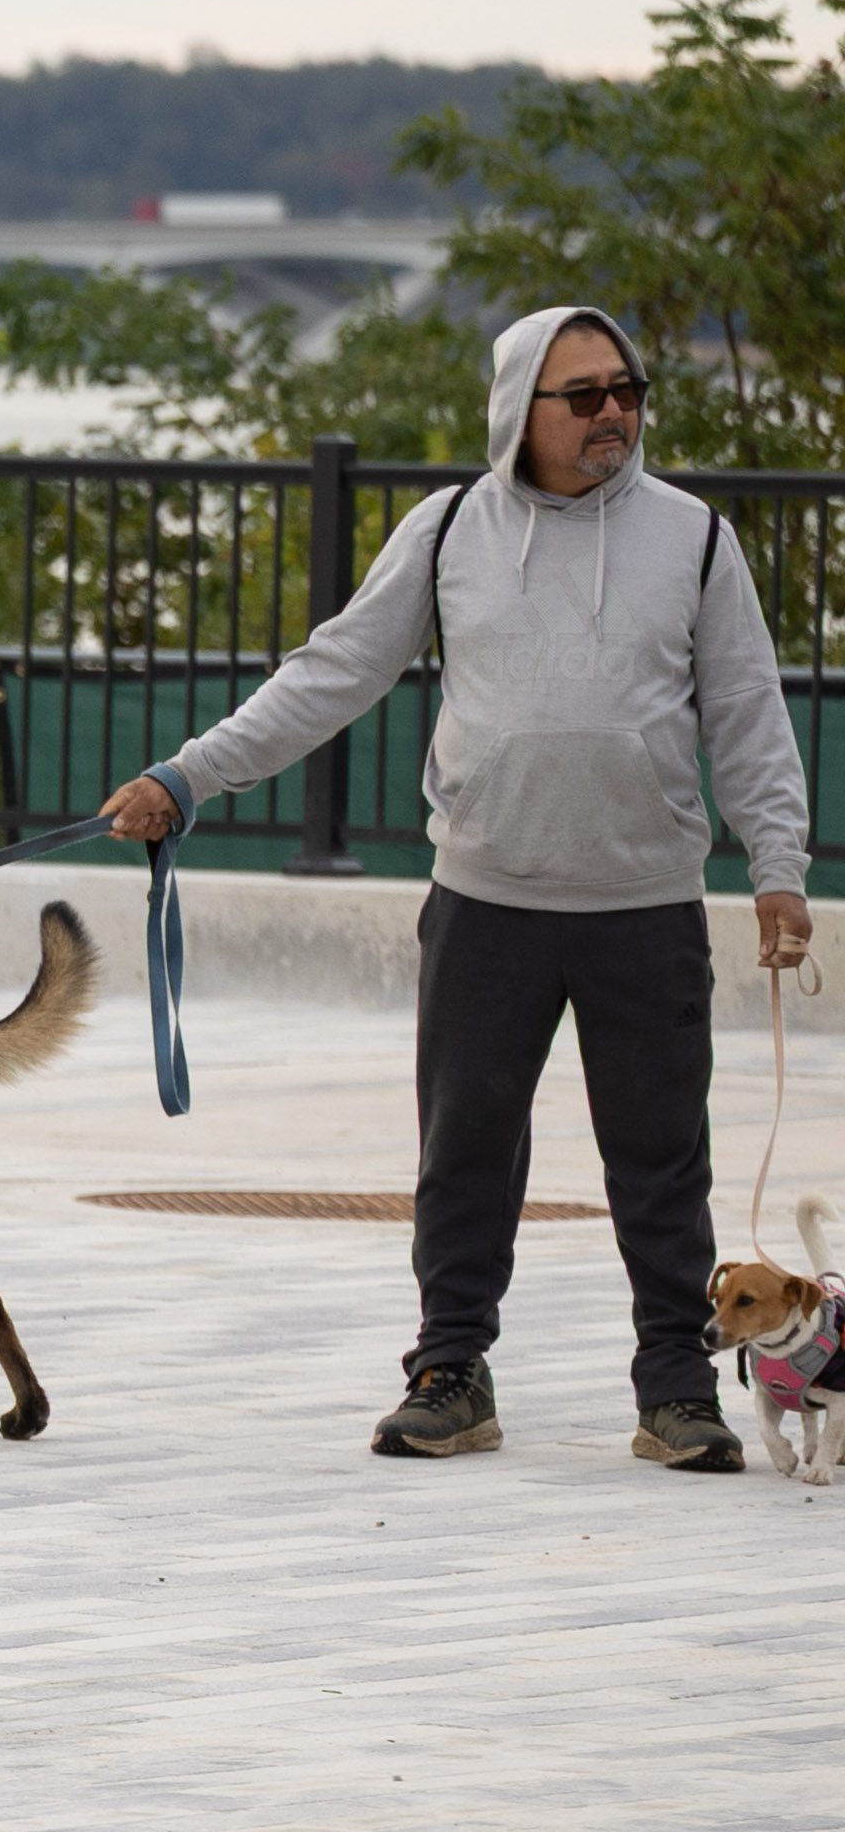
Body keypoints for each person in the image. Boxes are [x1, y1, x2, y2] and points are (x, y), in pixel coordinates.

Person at [103, 305, 813, 1470]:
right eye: (583, 395)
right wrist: (190, 776)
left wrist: (776, 867)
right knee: (465, 1148)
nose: (615, 413)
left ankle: (679, 1386)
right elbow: (331, 673)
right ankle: (450, 1369)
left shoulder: (693, 537)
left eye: (626, 389)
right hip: (487, 901)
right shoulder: (449, 533)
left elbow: (746, 713)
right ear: (519, 408)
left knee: (662, 1159)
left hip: (645, 904)